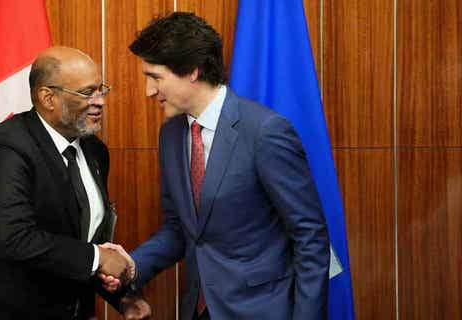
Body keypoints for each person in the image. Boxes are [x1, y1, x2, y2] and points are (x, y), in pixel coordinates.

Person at [101, 12, 330, 320]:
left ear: (192, 72)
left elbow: (309, 236)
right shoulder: (170, 134)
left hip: (263, 310)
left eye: (155, 77)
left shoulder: (265, 131)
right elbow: (179, 230)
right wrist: (132, 266)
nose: (149, 91)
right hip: (200, 310)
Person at [0, 47, 150, 320]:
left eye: (101, 89)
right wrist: (97, 258)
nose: (100, 101)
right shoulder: (8, 144)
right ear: (48, 97)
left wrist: (123, 296)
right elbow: (13, 237)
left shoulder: (96, 151)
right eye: (87, 93)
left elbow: (80, 241)